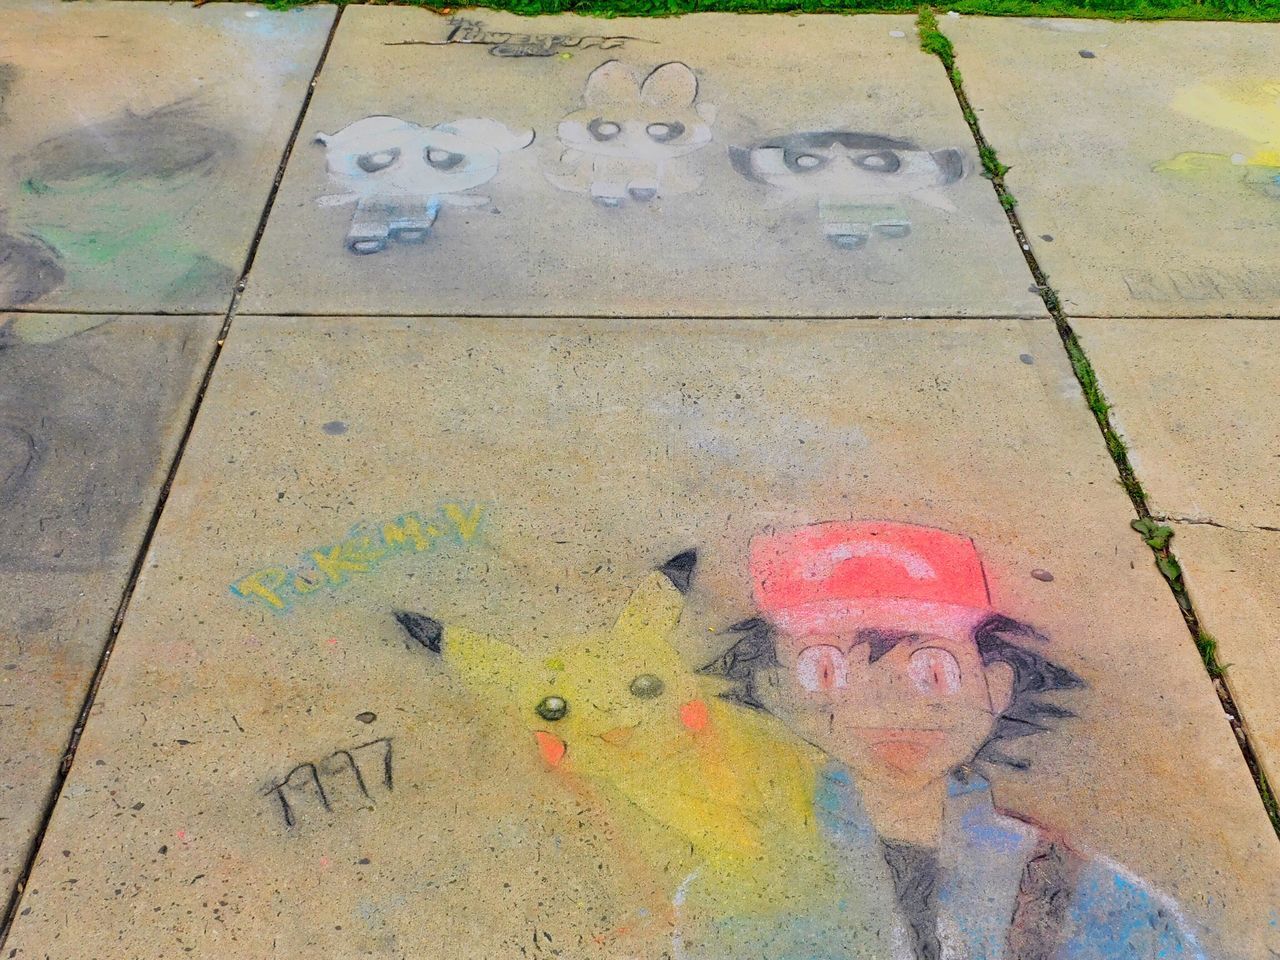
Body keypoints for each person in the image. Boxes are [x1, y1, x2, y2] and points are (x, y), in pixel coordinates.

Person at [700, 519, 1206, 960]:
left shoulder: (1099, 899)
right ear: (774, 690)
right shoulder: (731, 897)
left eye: (933, 671)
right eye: (828, 670)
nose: (889, 705)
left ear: (997, 685)